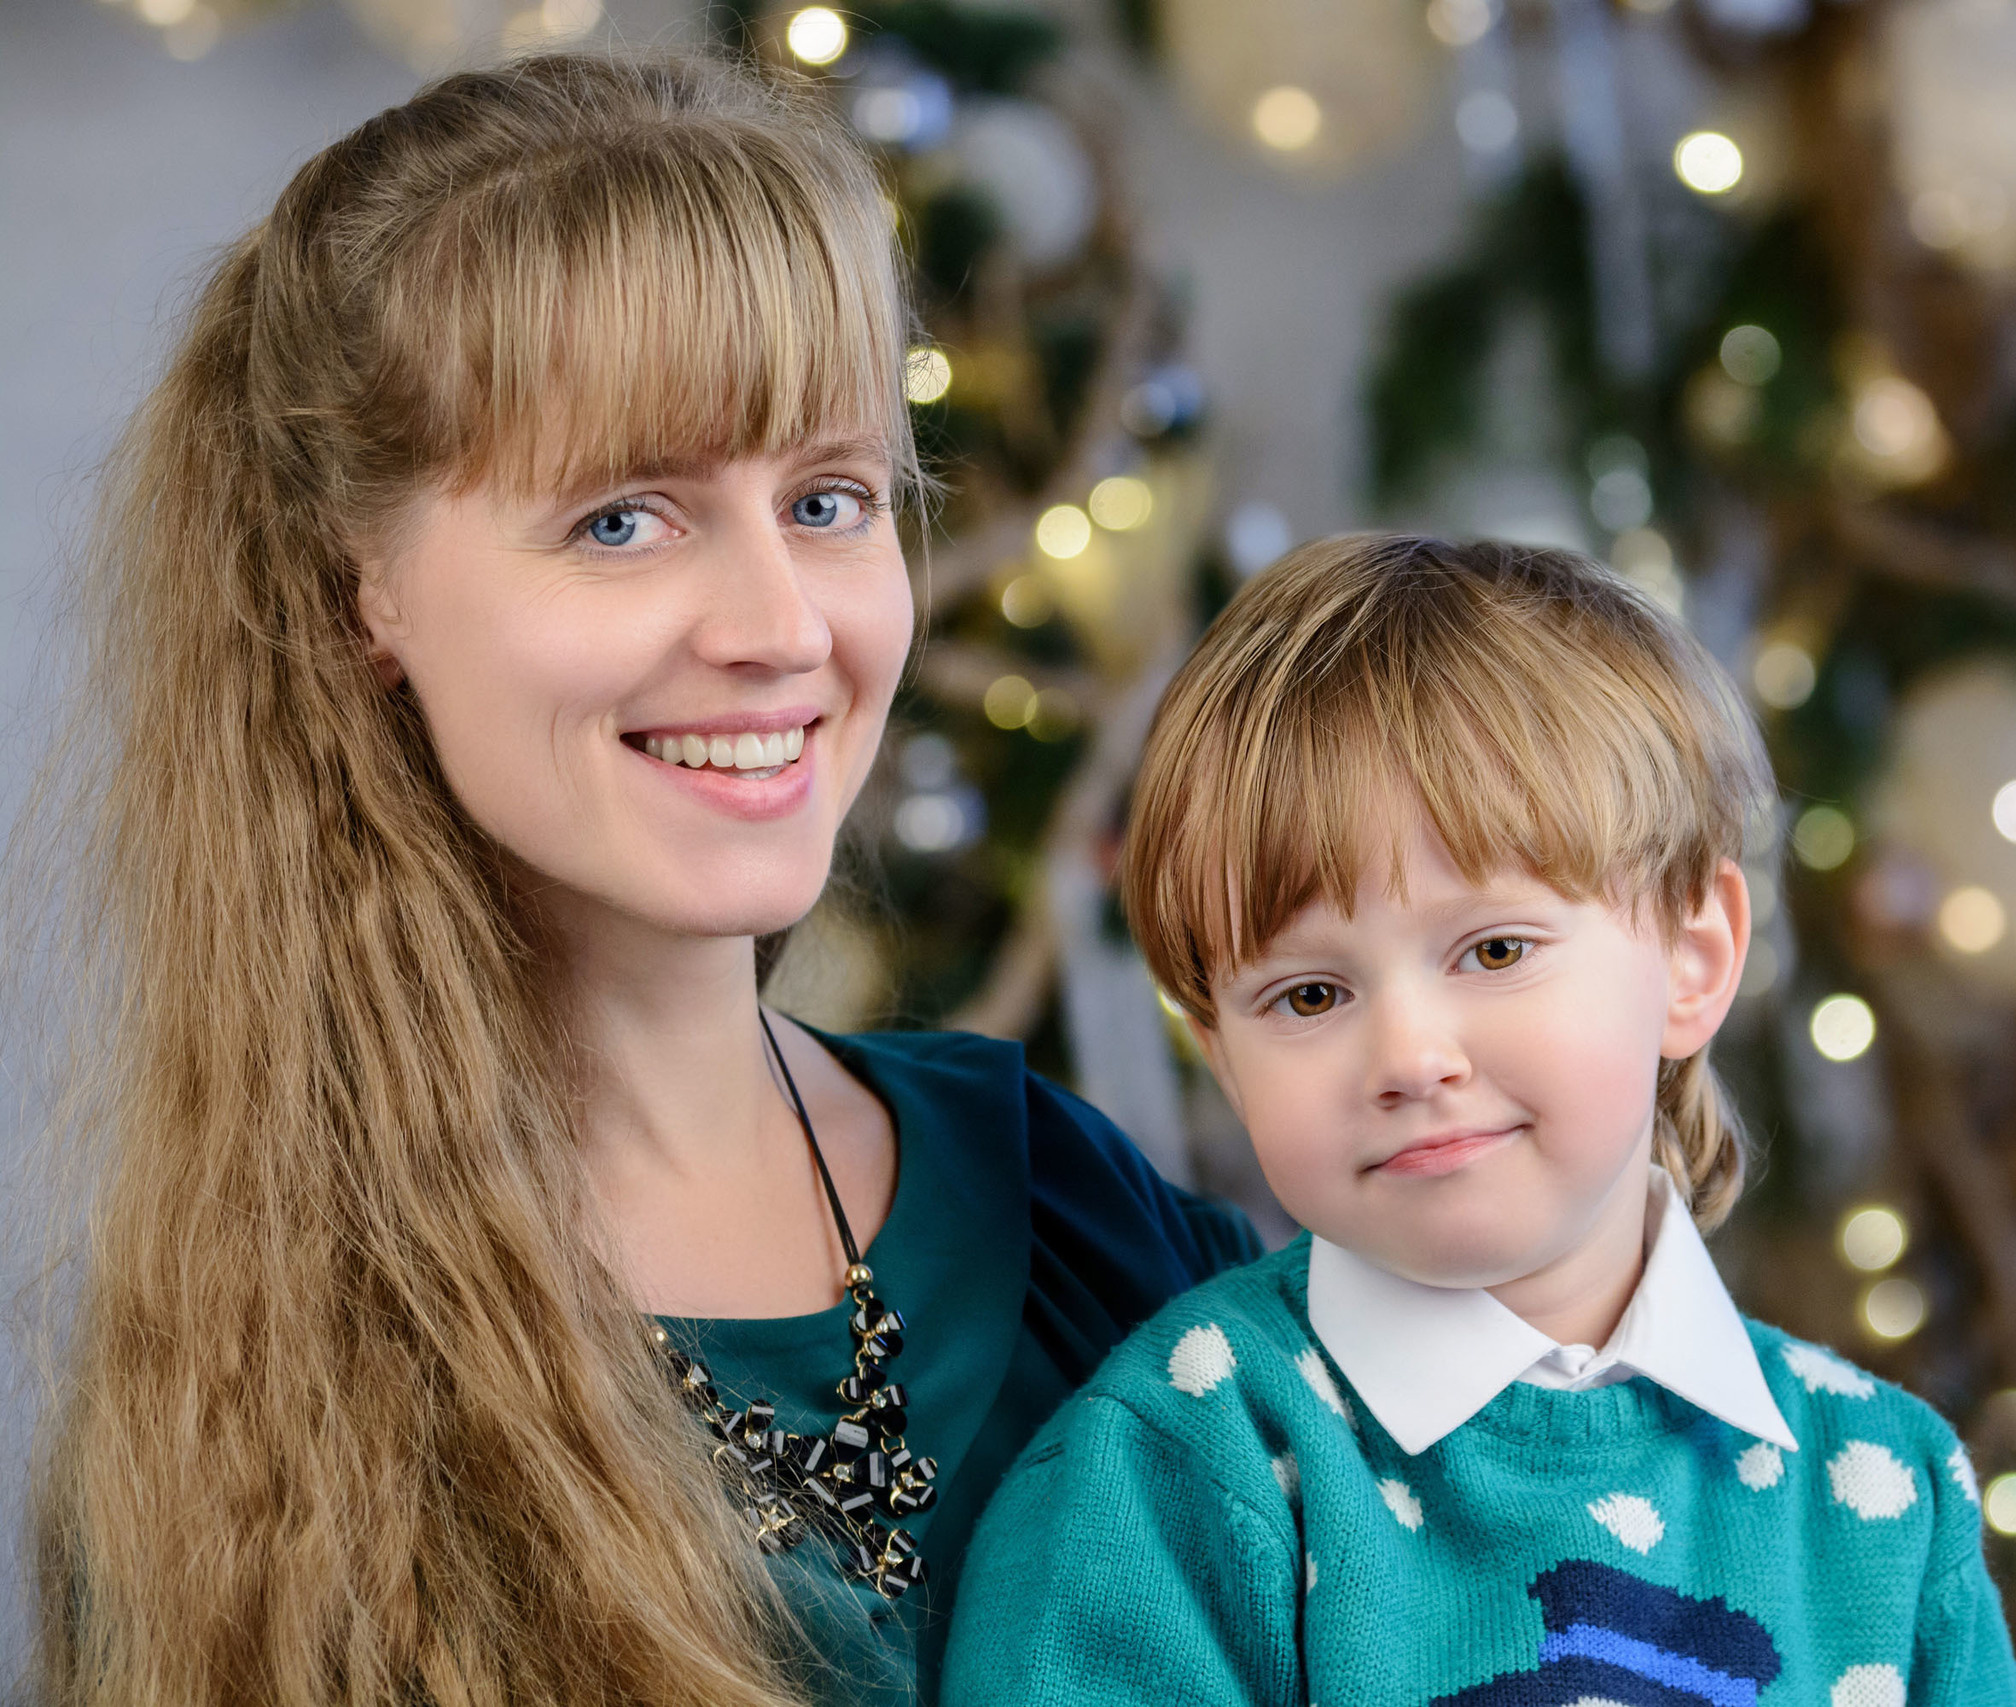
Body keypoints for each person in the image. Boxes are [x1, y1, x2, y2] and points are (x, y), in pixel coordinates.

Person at [26, 51, 1255, 1707]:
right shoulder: (249, 1404)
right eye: (623, 519)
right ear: (355, 595)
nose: (779, 625)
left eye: (829, 497)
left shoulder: (1072, 1206)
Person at [942, 536, 2016, 1706]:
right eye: (1309, 994)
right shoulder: (1174, 1475)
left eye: (1494, 949)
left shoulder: (1885, 1493)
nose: (1410, 1057)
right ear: (1219, 1050)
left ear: (1690, 958)